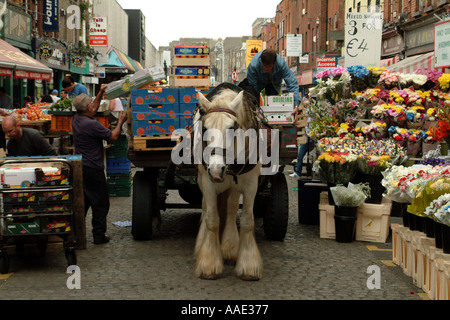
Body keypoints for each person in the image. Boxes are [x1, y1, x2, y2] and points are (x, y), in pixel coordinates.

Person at [72, 84, 127, 245]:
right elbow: (113, 137)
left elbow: (94, 109)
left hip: (81, 166)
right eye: (91, 104)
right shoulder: (92, 124)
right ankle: (98, 235)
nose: (93, 107)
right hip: (93, 169)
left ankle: (77, 235)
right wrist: (120, 122)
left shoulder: (77, 119)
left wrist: (101, 92)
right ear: (87, 107)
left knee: (85, 202)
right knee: (101, 203)